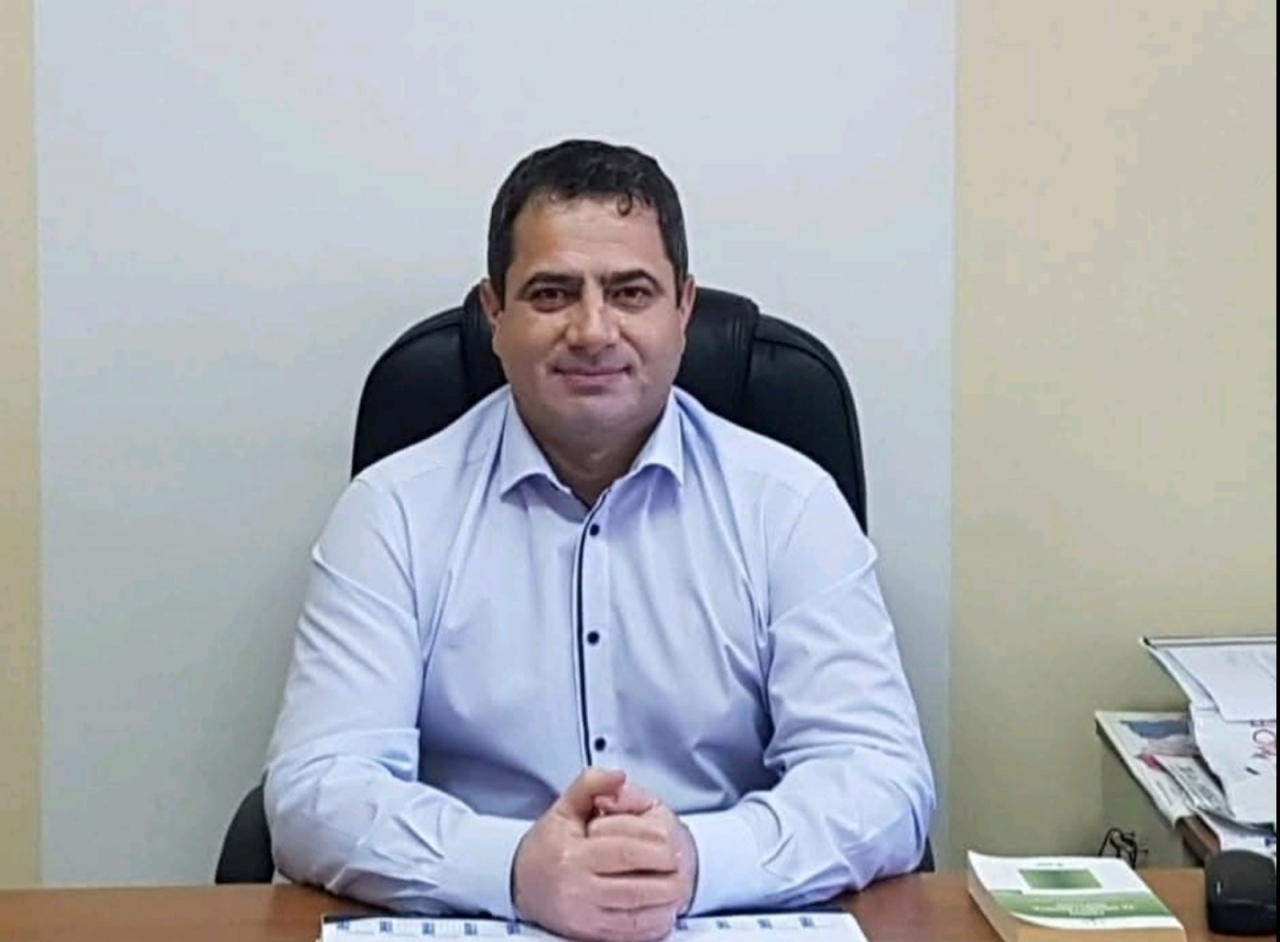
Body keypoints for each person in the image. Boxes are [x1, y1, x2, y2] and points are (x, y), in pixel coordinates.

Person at [264, 139, 936, 942]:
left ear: (683, 310)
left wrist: (696, 859)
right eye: (552, 293)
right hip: (479, 919)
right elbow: (316, 789)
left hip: (722, 917)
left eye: (630, 292)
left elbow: (881, 778)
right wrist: (514, 868)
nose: (592, 330)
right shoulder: (394, 512)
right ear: (494, 314)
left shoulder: (788, 506)